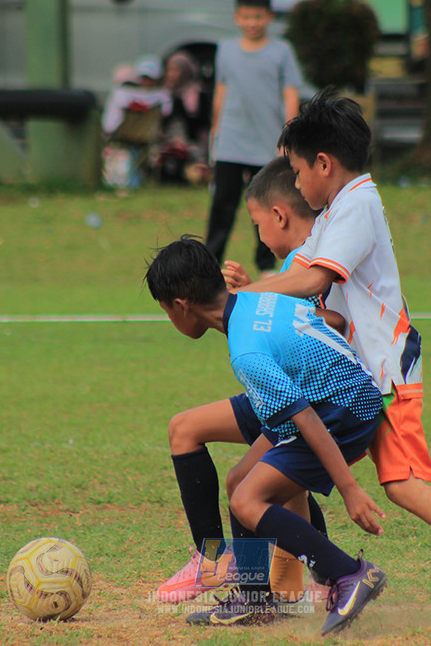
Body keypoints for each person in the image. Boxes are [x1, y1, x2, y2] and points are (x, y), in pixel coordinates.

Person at [238, 87, 431, 629]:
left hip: (385, 374)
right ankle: (281, 592)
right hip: (353, 379)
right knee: (290, 463)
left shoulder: (358, 204)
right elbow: (293, 276)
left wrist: (242, 300)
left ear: (324, 164)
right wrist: (245, 291)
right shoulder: (335, 212)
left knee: (400, 484)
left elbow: (312, 279)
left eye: (298, 170)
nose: (297, 183)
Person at [145, 236, 388, 635]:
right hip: (338, 395)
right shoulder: (258, 300)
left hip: (342, 412)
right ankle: (254, 600)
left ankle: (348, 573)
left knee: (247, 498)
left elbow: (307, 419)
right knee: (239, 479)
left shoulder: (246, 351)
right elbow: (332, 324)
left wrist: (349, 490)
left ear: (181, 305)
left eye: (165, 310)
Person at [156, 158, 326, 606]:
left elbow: (327, 321)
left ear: (180, 305)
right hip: (276, 393)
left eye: (256, 223)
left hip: (304, 396)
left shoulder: (307, 266)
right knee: (185, 429)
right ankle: (215, 561)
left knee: (255, 482)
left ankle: (302, 582)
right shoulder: (276, 280)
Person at [205, 0, 303, 276]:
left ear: (269, 17)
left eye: (258, 17)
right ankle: (210, 265)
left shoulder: (281, 51)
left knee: (268, 206)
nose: (252, 23)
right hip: (231, 142)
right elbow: (221, 92)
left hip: (267, 143)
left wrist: (288, 135)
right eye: (246, 17)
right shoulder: (225, 50)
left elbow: (290, 93)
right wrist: (215, 133)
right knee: (222, 204)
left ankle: (266, 265)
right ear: (237, 17)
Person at [101, 55, 173, 188]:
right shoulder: (163, 97)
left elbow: (108, 124)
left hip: (123, 136)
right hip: (147, 137)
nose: (145, 81)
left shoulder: (120, 94)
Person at [159, 51, 212, 185]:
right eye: (169, 70)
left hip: (195, 142)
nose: (171, 74)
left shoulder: (198, 94)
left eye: (175, 70)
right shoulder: (164, 94)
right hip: (171, 141)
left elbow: (202, 123)